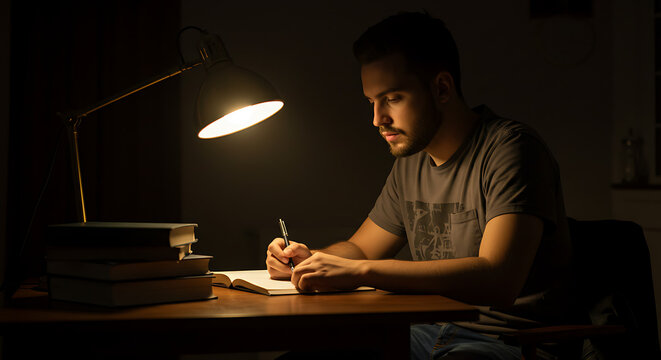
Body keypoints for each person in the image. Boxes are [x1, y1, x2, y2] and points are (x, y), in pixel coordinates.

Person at [266, 11, 572, 360]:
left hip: (507, 343)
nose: (377, 119)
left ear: (441, 88)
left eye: (392, 98)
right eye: (371, 102)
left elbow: (498, 278)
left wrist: (359, 272)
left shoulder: (511, 149)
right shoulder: (410, 162)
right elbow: (362, 250)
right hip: (423, 332)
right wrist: (309, 260)